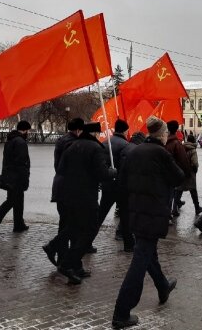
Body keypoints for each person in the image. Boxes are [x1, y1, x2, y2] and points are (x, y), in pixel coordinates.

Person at [112, 117, 184, 329]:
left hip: (136, 213)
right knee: (140, 261)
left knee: (148, 253)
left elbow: (122, 183)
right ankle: (121, 312)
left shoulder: (134, 151)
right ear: (161, 134)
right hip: (153, 214)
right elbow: (179, 177)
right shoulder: (161, 153)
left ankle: (162, 286)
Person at [56, 122, 116, 284]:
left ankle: (74, 266)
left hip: (69, 195)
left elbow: (62, 169)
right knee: (89, 230)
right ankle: (68, 263)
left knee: (76, 229)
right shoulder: (95, 148)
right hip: (86, 196)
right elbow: (102, 173)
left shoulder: (72, 146)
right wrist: (112, 171)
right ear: (95, 133)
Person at [42, 118, 84, 267]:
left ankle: (62, 258)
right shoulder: (73, 144)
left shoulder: (61, 141)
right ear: (79, 130)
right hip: (70, 189)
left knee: (65, 222)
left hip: (60, 186)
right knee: (73, 224)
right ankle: (64, 258)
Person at [0, 120, 32, 236]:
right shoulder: (20, 142)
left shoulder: (11, 140)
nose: (29, 133)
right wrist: (24, 178)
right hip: (16, 177)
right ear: (25, 130)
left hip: (9, 175)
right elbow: (21, 162)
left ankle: (19, 224)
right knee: (12, 201)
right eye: (28, 131)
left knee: (18, 200)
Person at [95, 119, 130, 248]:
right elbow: (125, 167)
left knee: (100, 215)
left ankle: (87, 241)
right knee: (125, 216)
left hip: (107, 184)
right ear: (125, 130)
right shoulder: (125, 145)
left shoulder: (105, 143)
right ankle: (128, 244)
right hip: (120, 186)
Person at [165, 121, 191, 219]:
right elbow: (184, 160)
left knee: (164, 195)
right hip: (172, 174)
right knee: (170, 196)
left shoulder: (163, 141)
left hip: (163, 174)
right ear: (176, 130)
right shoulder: (177, 143)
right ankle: (167, 216)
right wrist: (187, 173)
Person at [180, 134, 202, 216]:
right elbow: (195, 163)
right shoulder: (193, 150)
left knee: (179, 189)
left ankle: (174, 207)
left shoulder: (182, 148)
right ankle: (197, 208)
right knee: (193, 190)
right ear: (194, 140)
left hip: (182, 171)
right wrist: (195, 171)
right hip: (190, 173)